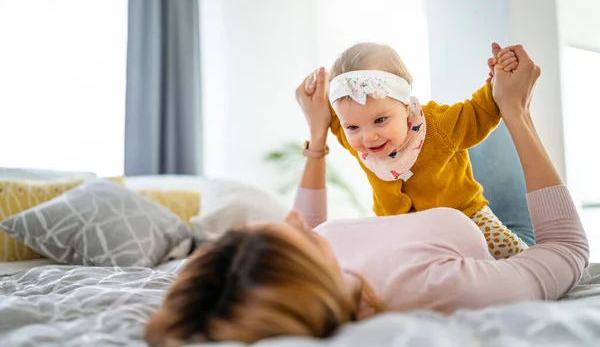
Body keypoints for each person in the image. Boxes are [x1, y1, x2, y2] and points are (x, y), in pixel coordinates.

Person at [144, 44, 589, 346]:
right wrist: (515, 110)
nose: (296, 220)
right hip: (480, 217)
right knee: (473, 134)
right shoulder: (439, 287)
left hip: (428, 160)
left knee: (447, 130)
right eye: (286, 236)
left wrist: (318, 132)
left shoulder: (321, 268)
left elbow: (312, 222)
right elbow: (567, 250)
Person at [313, 41, 526, 259]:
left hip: (467, 216)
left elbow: (478, 112)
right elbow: (336, 122)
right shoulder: (358, 141)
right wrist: (318, 94)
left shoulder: (437, 125)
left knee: (513, 255)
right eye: (353, 127)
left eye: (380, 120)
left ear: (406, 106)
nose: (368, 137)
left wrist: (498, 81)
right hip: (401, 232)